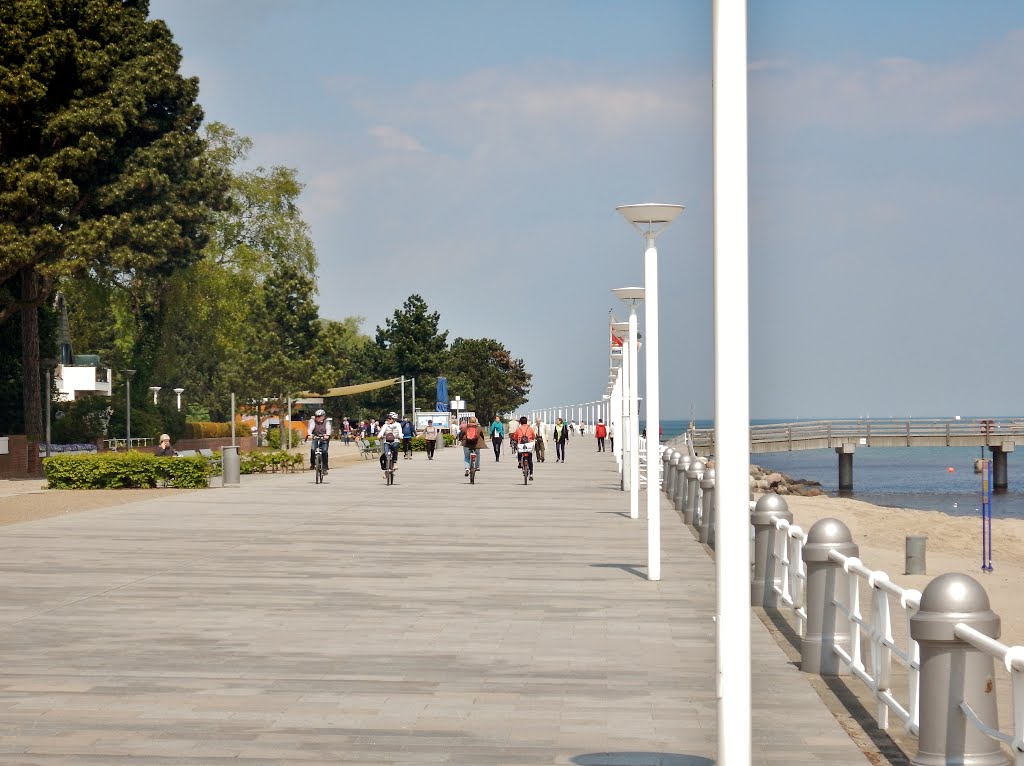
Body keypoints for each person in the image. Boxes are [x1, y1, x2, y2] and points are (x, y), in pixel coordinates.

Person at [306, 409, 332, 474]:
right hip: (316, 437)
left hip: (324, 438)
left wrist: (327, 435)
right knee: (313, 449)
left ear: (323, 416)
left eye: (319, 416)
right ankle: (312, 464)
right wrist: (310, 435)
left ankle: (325, 468)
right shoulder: (313, 422)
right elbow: (310, 429)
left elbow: (328, 429)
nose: (317, 417)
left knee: (324, 451)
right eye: (316, 416)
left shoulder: (327, 422)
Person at [512, 416, 536, 480]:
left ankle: (520, 462)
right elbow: (534, 436)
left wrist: (516, 440)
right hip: (529, 445)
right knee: (530, 460)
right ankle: (531, 474)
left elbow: (515, 437)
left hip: (521, 445)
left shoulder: (518, 429)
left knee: (519, 452)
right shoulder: (530, 428)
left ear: (520, 422)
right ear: (526, 421)